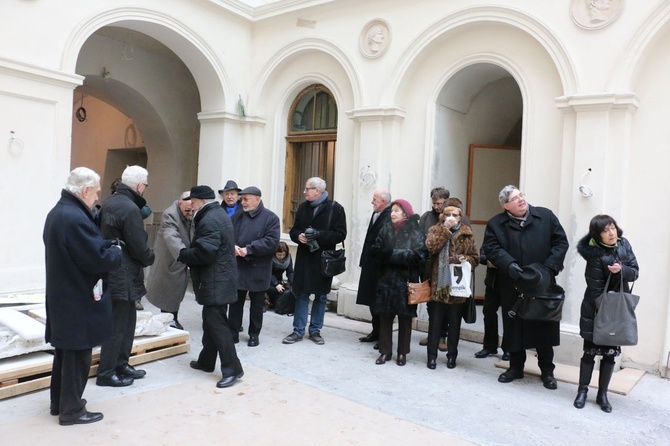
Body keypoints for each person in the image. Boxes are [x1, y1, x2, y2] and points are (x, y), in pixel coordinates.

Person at [43, 167, 123, 425]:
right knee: (78, 357)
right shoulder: (73, 216)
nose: (98, 197)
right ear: (85, 190)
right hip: (77, 299)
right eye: (96, 192)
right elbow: (96, 259)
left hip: (64, 295)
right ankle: (72, 411)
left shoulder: (59, 212)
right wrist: (116, 251)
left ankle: (60, 404)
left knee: (65, 355)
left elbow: (81, 250)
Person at [482, 185, 568, 389]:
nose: (521, 200)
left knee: (543, 328)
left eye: (521, 195)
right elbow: (491, 248)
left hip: (543, 283)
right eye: (515, 198)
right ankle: (515, 368)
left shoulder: (545, 216)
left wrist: (548, 269)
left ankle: (547, 371)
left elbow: (561, 243)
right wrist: (510, 265)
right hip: (513, 284)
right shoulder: (496, 224)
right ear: (506, 206)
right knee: (514, 328)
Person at [177, 185, 244, 388]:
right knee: (210, 321)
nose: (191, 204)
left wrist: (184, 254)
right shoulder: (217, 214)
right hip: (219, 278)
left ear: (202, 201)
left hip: (216, 280)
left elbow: (206, 252)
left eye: (193, 201)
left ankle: (233, 368)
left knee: (217, 325)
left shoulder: (209, 219)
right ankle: (207, 361)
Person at [97, 165, 155, 387]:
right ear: (140, 186)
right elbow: (138, 247)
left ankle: (121, 364)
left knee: (127, 322)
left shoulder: (111, 201)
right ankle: (107, 372)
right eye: (145, 186)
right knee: (118, 326)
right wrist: (151, 256)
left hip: (116, 271)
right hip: (123, 274)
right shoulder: (129, 208)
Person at [575, 215, 639, 412]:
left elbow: (635, 271)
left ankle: (602, 394)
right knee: (589, 353)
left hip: (617, 309)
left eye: (612, 228)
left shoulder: (624, 244)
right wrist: (606, 310)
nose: (611, 233)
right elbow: (594, 288)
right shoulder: (594, 253)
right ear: (597, 235)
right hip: (596, 310)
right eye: (605, 230)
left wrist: (621, 271)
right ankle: (582, 391)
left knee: (610, 355)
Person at [283, 177, 347, 345]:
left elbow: (341, 234)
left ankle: (315, 331)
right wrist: (298, 236)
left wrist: (318, 234)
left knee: (320, 296)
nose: (304, 192)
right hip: (305, 259)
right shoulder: (303, 207)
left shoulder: (336, 208)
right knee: (301, 294)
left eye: (307, 189)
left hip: (323, 261)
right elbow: (293, 229)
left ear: (317, 191)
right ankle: (298, 331)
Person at [371, 199, 428, 366]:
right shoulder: (385, 229)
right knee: (385, 318)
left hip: (406, 282)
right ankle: (385, 352)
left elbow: (419, 255)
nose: (392, 213)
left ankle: (402, 353)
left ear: (405, 213)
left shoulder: (415, 232)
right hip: (386, 281)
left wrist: (391, 255)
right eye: (392, 211)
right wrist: (395, 255)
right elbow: (376, 251)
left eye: (396, 210)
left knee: (405, 319)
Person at [425, 206, 479, 369]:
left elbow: (476, 258)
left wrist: (463, 259)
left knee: (454, 324)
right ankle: (431, 356)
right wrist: (445, 230)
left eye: (454, 215)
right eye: (447, 214)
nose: (450, 217)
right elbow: (431, 248)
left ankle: (452, 356)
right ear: (442, 216)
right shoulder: (436, 229)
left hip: (457, 286)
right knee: (435, 323)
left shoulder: (467, 233)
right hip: (438, 284)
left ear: (460, 217)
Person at [229, 186, 280, 347]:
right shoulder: (237, 217)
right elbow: (227, 235)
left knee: (257, 305)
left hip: (259, 268)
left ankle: (254, 334)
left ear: (257, 199)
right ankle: (233, 332)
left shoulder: (271, 218)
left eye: (246, 199)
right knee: (235, 303)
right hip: (238, 267)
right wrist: (233, 246)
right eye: (241, 199)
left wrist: (249, 249)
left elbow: (271, 242)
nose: (242, 202)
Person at [145, 191, 195, 330]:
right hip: (170, 258)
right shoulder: (170, 214)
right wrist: (184, 253)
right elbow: (171, 235)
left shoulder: (190, 211)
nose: (190, 213)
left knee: (175, 292)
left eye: (192, 210)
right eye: (187, 210)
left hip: (180, 258)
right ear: (180, 203)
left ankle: (172, 319)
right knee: (167, 292)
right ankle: (168, 321)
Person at [356, 189, 392, 345]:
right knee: (371, 301)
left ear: (383, 202)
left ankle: (383, 336)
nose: (372, 201)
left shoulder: (390, 215)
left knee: (380, 303)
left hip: (381, 266)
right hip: (370, 263)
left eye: (374, 199)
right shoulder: (376, 213)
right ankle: (375, 331)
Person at [418, 187, 450, 351]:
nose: (437, 206)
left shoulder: (454, 216)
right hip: (428, 266)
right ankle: (433, 334)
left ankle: (442, 335)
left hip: (446, 267)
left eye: (440, 203)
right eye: (434, 203)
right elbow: (419, 238)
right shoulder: (426, 217)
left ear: (446, 201)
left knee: (443, 302)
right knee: (430, 302)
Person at [474, 246, 510, 360]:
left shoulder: (514, 233)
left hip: (510, 282)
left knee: (508, 316)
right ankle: (489, 346)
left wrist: (503, 263)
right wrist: (488, 260)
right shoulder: (493, 231)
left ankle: (508, 348)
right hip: (492, 281)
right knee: (488, 312)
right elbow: (482, 254)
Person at [266, 241, 294, 308]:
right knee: (272, 289)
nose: (281, 257)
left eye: (283, 255)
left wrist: (293, 283)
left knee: (284, 291)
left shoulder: (288, 258)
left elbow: (290, 272)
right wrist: (276, 284)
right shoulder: (270, 257)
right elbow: (268, 272)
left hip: (279, 280)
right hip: (268, 280)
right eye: (279, 254)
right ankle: (266, 301)